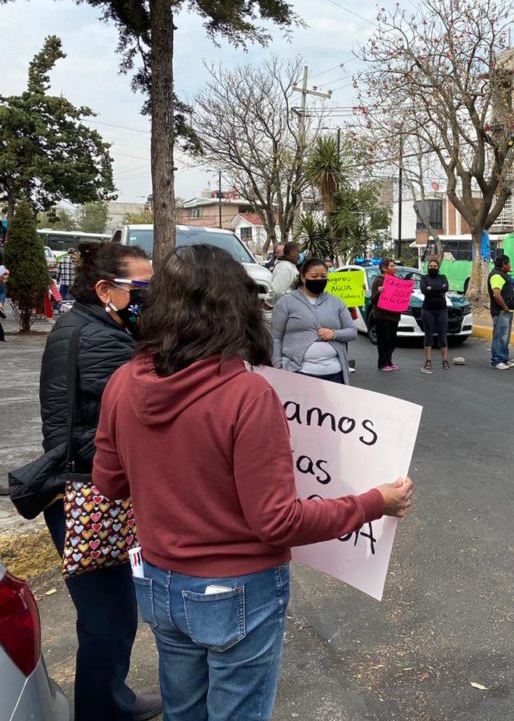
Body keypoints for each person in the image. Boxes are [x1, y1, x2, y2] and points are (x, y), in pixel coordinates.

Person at [91, 244, 413, 721]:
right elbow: (277, 522)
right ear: (235, 306)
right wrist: (373, 501)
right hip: (237, 591)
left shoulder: (123, 381)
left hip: (159, 584)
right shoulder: (246, 395)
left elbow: (110, 484)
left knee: (184, 713)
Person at [36, 241, 161, 721]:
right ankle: (101, 711)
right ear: (106, 289)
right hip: (88, 489)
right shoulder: (103, 340)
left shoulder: (87, 324)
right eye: (142, 288)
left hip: (84, 483)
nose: (150, 297)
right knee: (108, 620)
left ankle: (114, 700)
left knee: (111, 613)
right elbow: (138, 414)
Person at [271, 258, 356, 384]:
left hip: (335, 374)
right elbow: (276, 336)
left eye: (323, 276)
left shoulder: (336, 302)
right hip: (299, 373)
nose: (319, 280)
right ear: (303, 277)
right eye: (314, 276)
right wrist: (277, 365)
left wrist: (334, 334)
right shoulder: (286, 302)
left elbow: (352, 332)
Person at [370, 258, 402, 372]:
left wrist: (406, 293)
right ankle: (382, 363)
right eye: (392, 266)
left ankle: (389, 361)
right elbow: (372, 300)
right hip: (382, 316)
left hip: (394, 315)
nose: (394, 268)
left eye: (394, 266)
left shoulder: (396, 281)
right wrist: (379, 292)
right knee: (383, 340)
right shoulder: (378, 281)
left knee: (392, 340)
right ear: (384, 268)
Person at [420, 255, 450, 373]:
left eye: (435, 266)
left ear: (438, 267)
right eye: (431, 266)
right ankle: (428, 360)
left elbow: (446, 288)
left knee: (443, 335)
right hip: (427, 310)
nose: (433, 267)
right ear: (428, 267)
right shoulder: (424, 277)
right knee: (428, 335)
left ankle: (445, 360)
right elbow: (424, 290)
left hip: (442, 310)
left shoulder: (443, 277)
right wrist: (438, 289)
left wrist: (431, 289)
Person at [488, 254, 514, 370]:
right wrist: (504, 307)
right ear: (504, 264)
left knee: (505, 337)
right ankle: (496, 361)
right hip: (501, 312)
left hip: (506, 311)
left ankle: (504, 358)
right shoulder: (496, 276)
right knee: (500, 336)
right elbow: (496, 294)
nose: (510, 265)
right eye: (509, 263)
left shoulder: (503, 275)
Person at [269, 241, 300, 305]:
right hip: (285, 306)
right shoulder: (286, 268)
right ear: (292, 253)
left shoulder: (288, 266)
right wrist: (268, 303)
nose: (299, 255)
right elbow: (277, 291)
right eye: (298, 252)